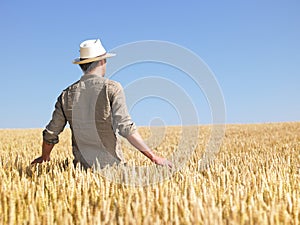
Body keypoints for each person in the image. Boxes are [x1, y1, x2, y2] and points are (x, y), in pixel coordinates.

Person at [31, 38, 172, 169]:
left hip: (81, 170)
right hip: (112, 168)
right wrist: (154, 157)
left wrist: (45, 157)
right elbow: (125, 128)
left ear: (82, 66)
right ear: (101, 62)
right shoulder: (111, 88)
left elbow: (51, 132)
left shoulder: (66, 95)